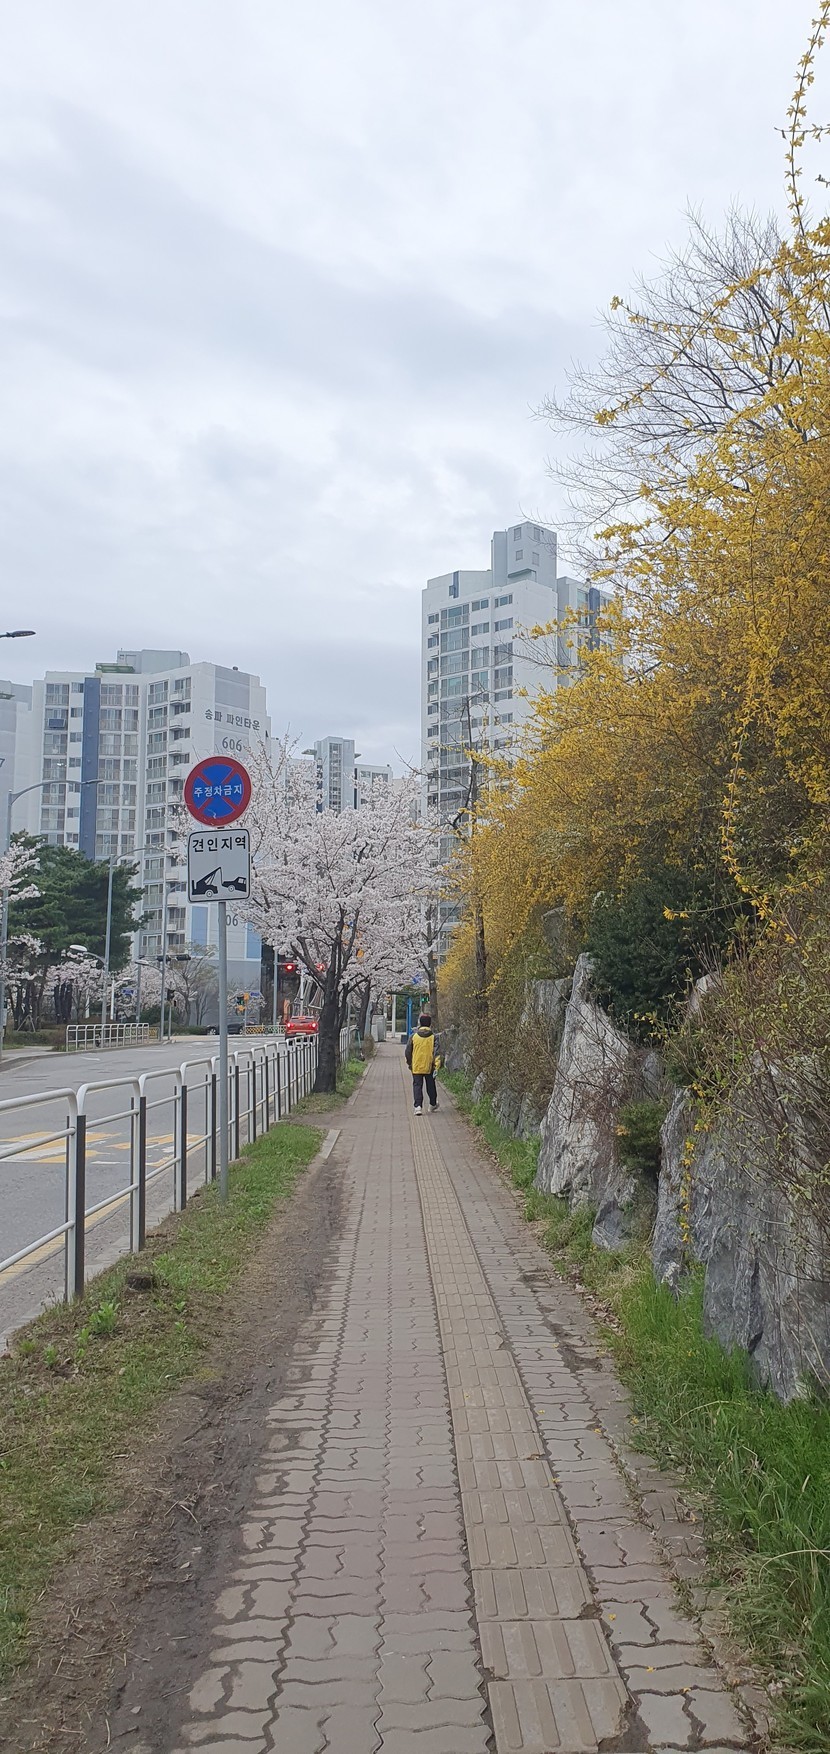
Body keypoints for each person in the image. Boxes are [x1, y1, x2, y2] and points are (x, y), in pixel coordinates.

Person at [404, 1012, 441, 1114]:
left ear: (420, 1023)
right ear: (430, 1024)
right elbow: (437, 1053)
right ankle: (432, 1104)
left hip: (416, 1065)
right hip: (429, 1066)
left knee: (417, 1086)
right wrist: (437, 1066)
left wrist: (410, 1063)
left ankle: (418, 1107)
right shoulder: (434, 1037)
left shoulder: (413, 1036)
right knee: (431, 1085)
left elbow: (408, 1051)